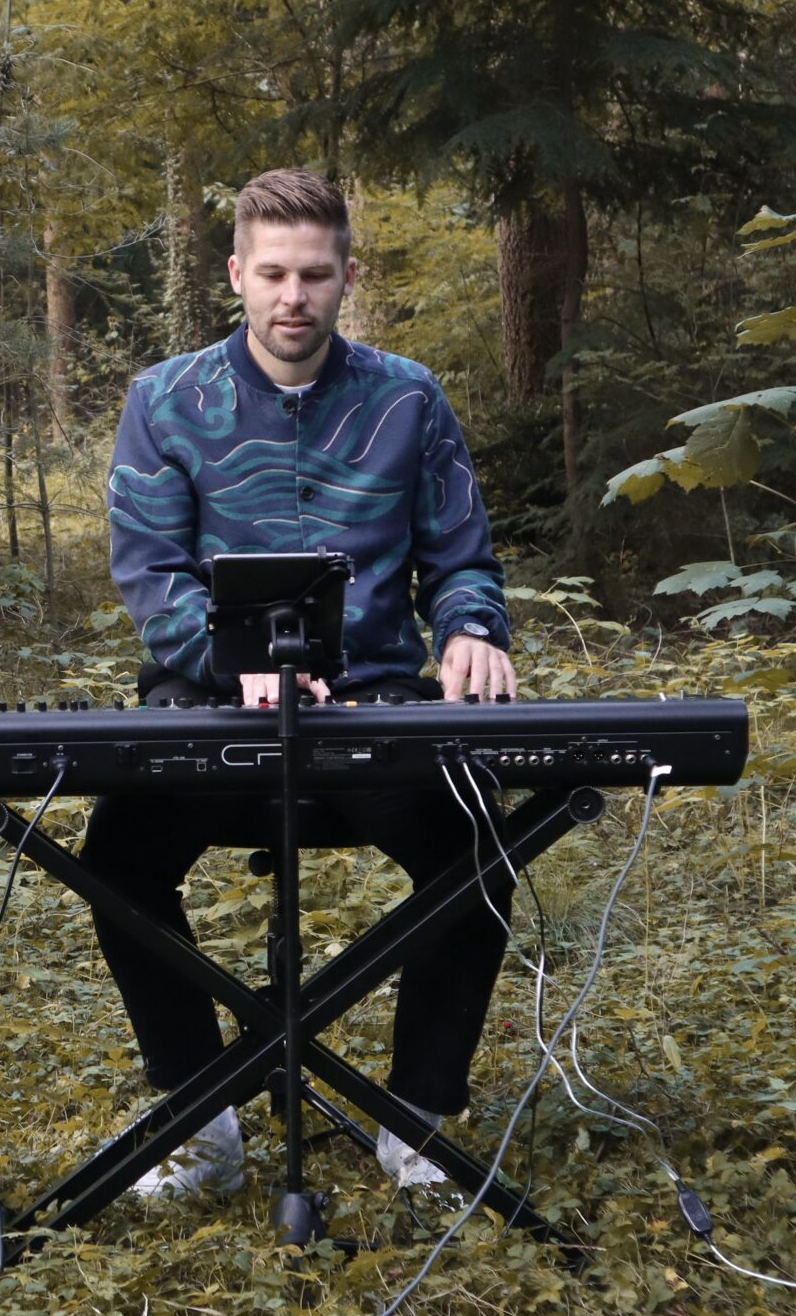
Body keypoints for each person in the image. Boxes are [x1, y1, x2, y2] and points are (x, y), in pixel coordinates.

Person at [84, 167, 517, 1199]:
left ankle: (416, 1119)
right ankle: (201, 1122)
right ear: (234, 273)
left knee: (478, 841)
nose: (292, 297)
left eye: (314, 275)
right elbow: (149, 573)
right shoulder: (164, 402)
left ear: (344, 277)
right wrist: (242, 668)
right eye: (272, 273)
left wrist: (469, 629)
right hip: (208, 708)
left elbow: (461, 557)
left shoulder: (407, 398)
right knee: (115, 855)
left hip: (372, 699)